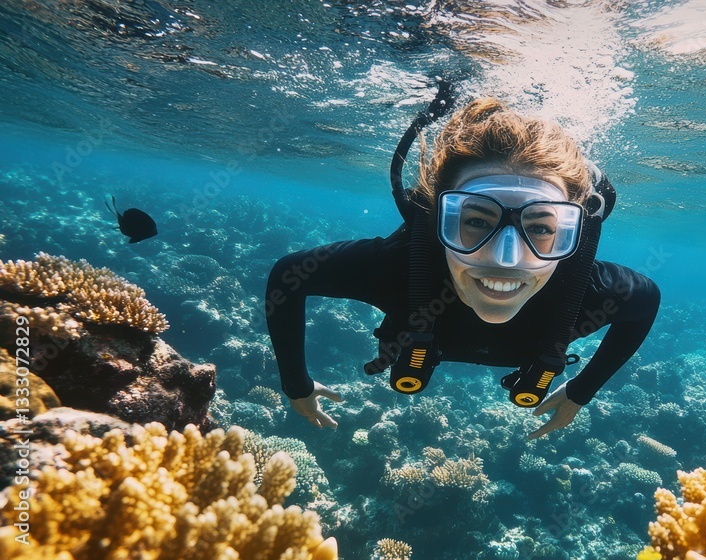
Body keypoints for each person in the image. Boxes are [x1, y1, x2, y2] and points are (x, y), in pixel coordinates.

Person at [266, 94, 659, 439]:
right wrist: (295, 384)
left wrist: (581, 391)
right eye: (475, 221)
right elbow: (289, 276)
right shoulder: (396, 266)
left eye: (540, 227)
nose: (506, 259)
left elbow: (646, 303)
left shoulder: (585, 288)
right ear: (439, 218)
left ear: (571, 231)